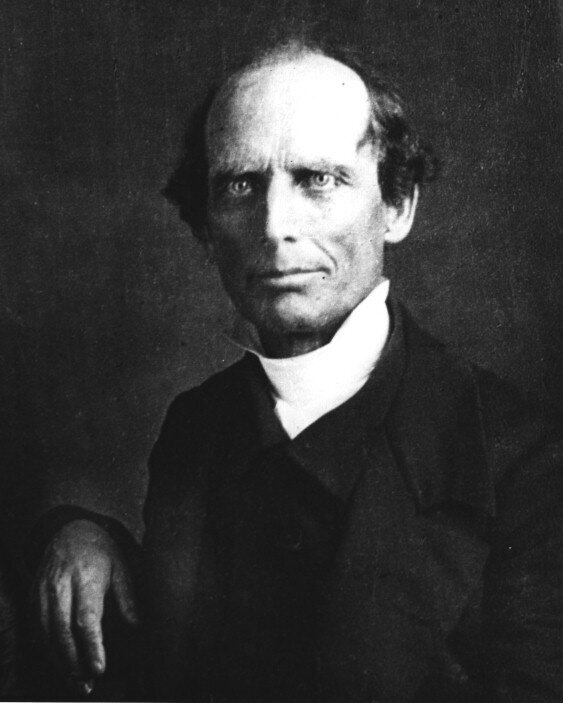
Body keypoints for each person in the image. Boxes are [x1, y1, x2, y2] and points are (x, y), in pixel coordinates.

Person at [29, 39, 563, 701]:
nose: (274, 226)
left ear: (396, 205)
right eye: (240, 185)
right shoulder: (195, 426)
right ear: (206, 228)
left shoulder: (527, 462)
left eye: (319, 179)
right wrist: (79, 531)